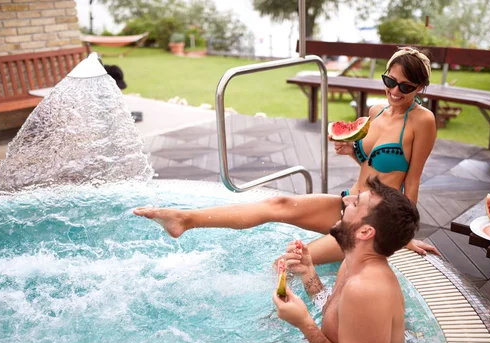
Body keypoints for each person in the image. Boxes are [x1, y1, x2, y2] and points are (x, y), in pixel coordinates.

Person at [133, 46, 440, 263]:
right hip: (350, 202)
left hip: (374, 222)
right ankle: (185, 219)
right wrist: (351, 151)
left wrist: (405, 234)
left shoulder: (422, 121)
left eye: (406, 86)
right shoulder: (376, 110)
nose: (395, 92)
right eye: (390, 81)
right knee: (278, 203)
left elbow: (411, 182)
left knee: (289, 262)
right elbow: (371, 164)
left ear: (421, 88)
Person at [273, 177, 420, 343]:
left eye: (355, 203)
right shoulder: (352, 265)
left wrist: (303, 322)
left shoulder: (366, 290)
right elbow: (335, 314)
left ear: (365, 232)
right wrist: (308, 272)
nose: (346, 199)